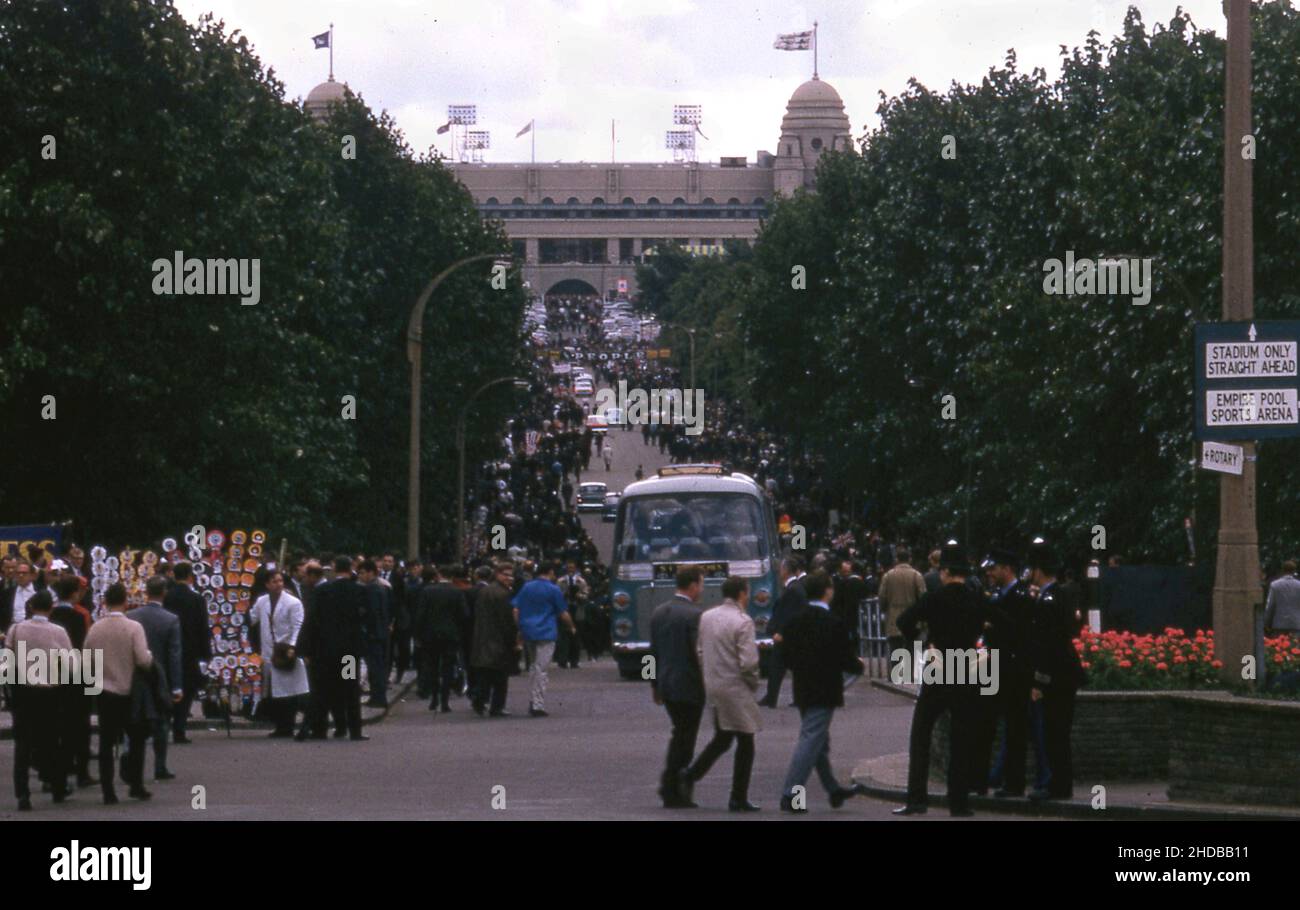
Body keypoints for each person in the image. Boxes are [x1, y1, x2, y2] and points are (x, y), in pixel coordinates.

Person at [893, 543, 989, 817]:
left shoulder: (935, 598)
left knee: (921, 733)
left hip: (939, 667)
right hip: (968, 668)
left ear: (946, 571)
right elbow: (1002, 622)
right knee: (962, 737)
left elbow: (904, 621)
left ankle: (916, 799)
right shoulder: (976, 599)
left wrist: (925, 641)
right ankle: (959, 803)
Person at [778, 571, 868, 812]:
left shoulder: (795, 621)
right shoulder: (834, 623)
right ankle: (791, 794)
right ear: (828, 591)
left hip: (803, 686)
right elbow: (846, 660)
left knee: (817, 741)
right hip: (825, 688)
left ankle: (833, 789)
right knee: (810, 741)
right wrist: (859, 665)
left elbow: (786, 657)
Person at [681, 576, 761, 811]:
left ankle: (691, 774)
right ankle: (738, 797)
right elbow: (748, 662)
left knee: (723, 737)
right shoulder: (743, 621)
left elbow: (700, 650)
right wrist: (753, 682)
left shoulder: (707, 616)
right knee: (746, 740)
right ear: (742, 594)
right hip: (736, 686)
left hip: (714, 684)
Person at [975, 548, 1038, 799]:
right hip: (997, 666)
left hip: (1013, 669)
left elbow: (1018, 633)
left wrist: (993, 619)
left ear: (1007, 569)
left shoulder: (1021, 596)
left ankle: (1014, 782)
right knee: (992, 724)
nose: (990, 572)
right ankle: (991, 779)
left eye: (995, 568)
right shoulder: (999, 595)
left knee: (1015, 727)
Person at [1026, 542, 1086, 802]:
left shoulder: (1046, 600)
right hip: (1066, 673)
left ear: (1038, 570)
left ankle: (1058, 787)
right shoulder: (1061, 595)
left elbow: (1046, 644)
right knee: (1059, 731)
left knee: (1054, 732)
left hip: (1056, 675)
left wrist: (1039, 680)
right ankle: (1061, 784)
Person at [85, 583, 155, 803]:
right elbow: (143, 660)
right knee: (136, 739)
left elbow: (87, 658)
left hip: (105, 691)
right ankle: (135, 784)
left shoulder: (95, 628)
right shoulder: (134, 627)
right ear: (125, 601)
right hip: (129, 690)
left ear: (104, 602)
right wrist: (151, 658)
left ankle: (108, 790)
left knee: (106, 741)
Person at [9, 590, 73, 810]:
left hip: (24, 692)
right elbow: (70, 664)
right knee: (52, 740)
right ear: (51, 608)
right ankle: (56, 786)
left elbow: (7, 660)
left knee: (23, 744)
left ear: (31, 606)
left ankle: (23, 794)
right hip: (49, 692)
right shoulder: (58, 632)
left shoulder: (16, 629)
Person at [649, 566, 706, 808]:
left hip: (666, 682)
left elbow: (653, 653)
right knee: (686, 737)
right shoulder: (695, 615)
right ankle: (672, 786)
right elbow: (698, 653)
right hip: (689, 683)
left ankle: (671, 785)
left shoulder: (659, 612)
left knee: (679, 732)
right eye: (701, 584)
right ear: (693, 585)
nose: (701, 589)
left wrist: (654, 684)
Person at [304, 556, 369, 741]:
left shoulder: (322, 590)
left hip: (325, 652)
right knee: (349, 688)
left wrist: (308, 648)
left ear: (333, 568)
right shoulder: (359, 590)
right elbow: (364, 619)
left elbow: (312, 621)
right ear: (350, 568)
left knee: (325, 688)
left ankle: (320, 729)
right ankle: (354, 730)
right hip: (348, 653)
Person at [126, 575, 184, 781]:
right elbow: (174, 655)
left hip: (134, 675)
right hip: (160, 677)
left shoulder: (131, 616)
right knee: (161, 721)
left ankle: (129, 758)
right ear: (164, 593)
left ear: (146, 592)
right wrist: (176, 686)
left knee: (132, 719)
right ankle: (160, 765)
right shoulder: (170, 619)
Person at [512, 562, 577, 717]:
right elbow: (563, 613)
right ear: (550, 572)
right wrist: (571, 627)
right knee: (542, 668)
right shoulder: (553, 589)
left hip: (528, 630)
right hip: (546, 631)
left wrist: (520, 626)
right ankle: (537, 703)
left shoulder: (527, 587)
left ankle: (533, 698)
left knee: (534, 666)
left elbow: (516, 609)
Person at [250, 570, 310, 738]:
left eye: (280, 581)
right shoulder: (262, 601)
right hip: (269, 652)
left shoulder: (293, 602)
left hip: (285, 651)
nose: (278, 584)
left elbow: (297, 626)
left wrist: (292, 646)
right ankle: (281, 726)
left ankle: (289, 725)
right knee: (275, 692)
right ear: (267, 584)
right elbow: (252, 618)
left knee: (290, 692)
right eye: (274, 581)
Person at [163, 562, 212, 745]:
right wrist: (206, 654)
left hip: (169, 649)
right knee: (187, 689)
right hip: (190, 650)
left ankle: (164, 725)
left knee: (168, 687)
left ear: (174, 576)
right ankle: (180, 729)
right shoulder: (197, 599)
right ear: (191, 576)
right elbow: (203, 628)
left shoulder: (166, 598)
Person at [470, 561, 520, 717]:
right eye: (506, 575)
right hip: (498, 639)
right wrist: (514, 639)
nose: (509, 578)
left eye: (511, 576)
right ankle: (496, 706)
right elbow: (507, 621)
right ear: (498, 574)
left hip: (482, 637)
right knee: (500, 676)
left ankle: (479, 700)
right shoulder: (504, 595)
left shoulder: (485, 591)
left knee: (485, 674)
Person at [759, 556, 807, 708]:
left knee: (778, 666)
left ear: (786, 571)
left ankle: (772, 698)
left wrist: (780, 632)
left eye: (781, 569)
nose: (779, 572)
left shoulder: (792, 589)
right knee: (785, 667)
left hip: (786, 636)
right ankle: (774, 697)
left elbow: (789, 614)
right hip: (790, 635)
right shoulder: (795, 587)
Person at [417, 566, 466, 713]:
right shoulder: (457, 592)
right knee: (447, 668)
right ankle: (445, 701)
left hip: (431, 635)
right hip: (450, 635)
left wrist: (419, 634)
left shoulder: (427, 591)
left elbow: (421, 615)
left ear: (438, 575)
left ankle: (434, 699)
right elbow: (464, 614)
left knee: (432, 666)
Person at [879, 547, 926, 681]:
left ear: (896, 559)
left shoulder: (888, 576)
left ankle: (896, 678)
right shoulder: (917, 575)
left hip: (894, 618)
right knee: (912, 649)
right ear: (909, 559)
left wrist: (885, 609)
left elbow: (882, 597)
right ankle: (911, 678)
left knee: (895, 649)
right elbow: (923, 597)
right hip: (913, 620)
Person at [357, 559, 392, 709]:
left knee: (374, 666)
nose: (360, 576)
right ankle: (378, 696)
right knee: (378, 665)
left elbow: (370, 613)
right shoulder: (381, 587)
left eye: (362, 573)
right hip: (381, 633)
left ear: (371, 572)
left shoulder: (370, 589)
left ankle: (377, 697)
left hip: (372, 634)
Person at [555, 560, 589, 668]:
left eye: (572, 568)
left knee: (576, 636)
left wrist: (579, 596)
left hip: (577, 609)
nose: (570, 570)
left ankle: (574, 660)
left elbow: (586, 595)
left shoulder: (581, 581)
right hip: (565, 609)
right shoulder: (560, 581)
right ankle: (563, 660)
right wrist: (564, 594)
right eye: (569, 568)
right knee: (563, 636)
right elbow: (556, 595)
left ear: (575, 569)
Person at [1265, 560, 1300, 635]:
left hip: (1279, 623)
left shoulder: (1274, 585)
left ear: (1283, 570)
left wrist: (1266, 623)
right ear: (1294, 570)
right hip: (1296, 623)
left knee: (1278, 646)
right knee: (1296, 646)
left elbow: (1270, 605)